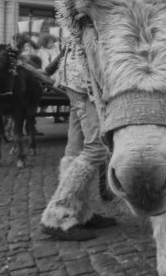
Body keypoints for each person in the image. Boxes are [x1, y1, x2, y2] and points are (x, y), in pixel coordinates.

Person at [40, 38, 116, 241]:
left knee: (76, 149)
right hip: (86, 79)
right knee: (97, 147)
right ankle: (59, 214)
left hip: (78, 76)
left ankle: (80, 211)